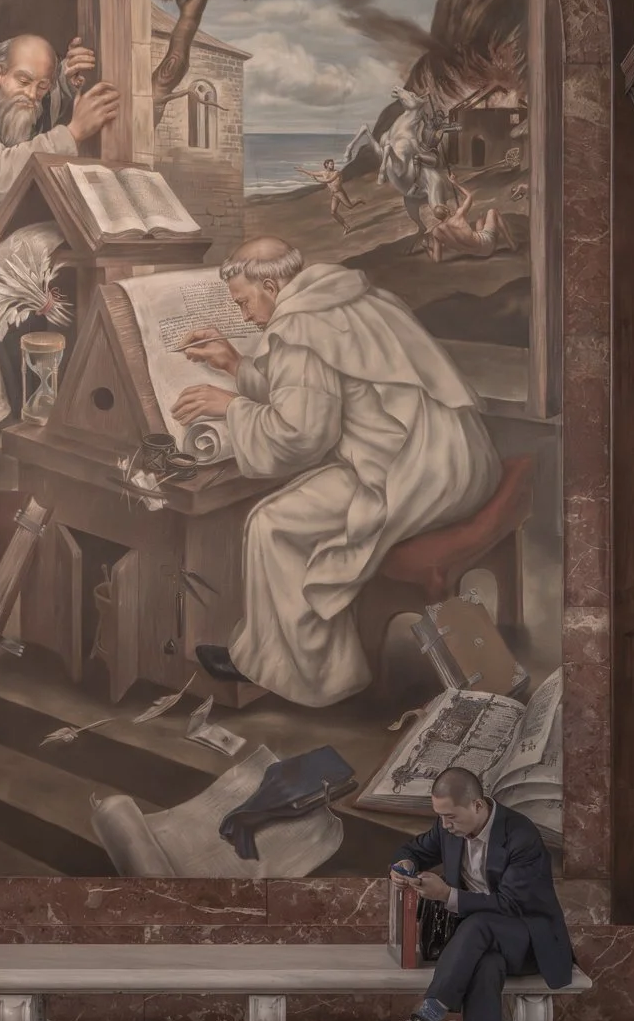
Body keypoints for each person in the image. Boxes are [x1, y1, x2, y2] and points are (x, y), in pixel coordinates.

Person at [171, 237, 502, 706]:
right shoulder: (344, 294)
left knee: (271, 523)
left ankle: (317, 678)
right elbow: (310, 388)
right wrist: (236, 364)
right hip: (459, 460)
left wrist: (231, 407)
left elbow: (300, 435)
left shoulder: (298, 327)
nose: (244, 315)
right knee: (296, 507)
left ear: (271, 284)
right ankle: (303, 659)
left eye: (244, 301)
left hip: (411, 476)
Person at [374, 766, 574, 1021]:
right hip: (480, 947)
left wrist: (448, 894)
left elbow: (512, 905)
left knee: (480, 924)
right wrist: (404, 863)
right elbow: (413, 849)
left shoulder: (521, 835)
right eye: (440, 817)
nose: (445, 825)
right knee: (486, 967)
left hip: (527, 937)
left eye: (450, 816)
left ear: (478, 805)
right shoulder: (448, 828)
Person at [0, 32, 119, 427]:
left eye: (41, 86)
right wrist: (72, 133)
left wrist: (66, 83)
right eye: (23, 82)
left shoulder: (14, 92)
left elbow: (26, 121)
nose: (32, 95)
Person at [422, 182, 515, 263]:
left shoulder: (436, 232)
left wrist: (427, 247)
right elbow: (469, 196)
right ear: (447, 210)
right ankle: (512, 245)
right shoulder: (459, 214)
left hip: (477, 254)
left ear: (437, 217)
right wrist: (456, 183)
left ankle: (486, 229)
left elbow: (437, 260)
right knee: (492, 212)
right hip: (488, 245)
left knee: (480, 220)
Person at [296, 158, 363, 234]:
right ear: (326, 165)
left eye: (333, 164)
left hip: (340, 192)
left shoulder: (336, 172)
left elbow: (329, 180)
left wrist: (318, 180)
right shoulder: (323, 173)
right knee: (333, 212)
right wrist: (303, 170)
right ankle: (346, 226)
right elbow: (312, 173)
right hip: (334, 194)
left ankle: (358, 200)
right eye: (331, 164)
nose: (333, 165)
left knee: (350, 206)